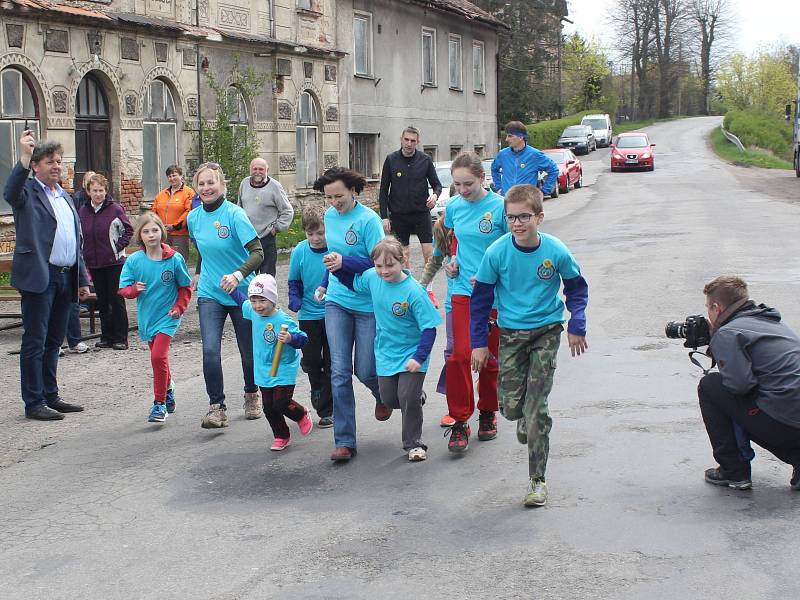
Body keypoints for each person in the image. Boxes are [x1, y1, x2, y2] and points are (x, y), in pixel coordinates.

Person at [470, 184, 588, 507]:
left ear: (539, 216)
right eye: (511, 218)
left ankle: (537, 480)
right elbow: (479, 302)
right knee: (509, 407)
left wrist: (576, 324)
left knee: (537, 410)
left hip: (546, 331)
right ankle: (522, 415)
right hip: (511, 334)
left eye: (524, 217)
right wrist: (479, 343)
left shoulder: (555, 251)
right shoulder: (496, 253)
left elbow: (576, 289)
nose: (518, 223)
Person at [4, 130, 90, 420]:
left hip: (66, 277)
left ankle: (51, 395)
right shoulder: (27, 192)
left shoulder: (64, 196)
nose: (56, 165)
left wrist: (82, 279)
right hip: (41, 277)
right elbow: (9, 192)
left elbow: (75, 240)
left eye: (59, 160)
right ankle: (34, 401)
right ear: (36, 166)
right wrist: (24, 158)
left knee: (55, 340)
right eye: (50, 161)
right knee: (35, 341)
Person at [697, 276, 800, 491]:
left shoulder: (728, 332)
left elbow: (739, 386)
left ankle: (733, 471)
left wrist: (717, 341)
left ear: (716, 307)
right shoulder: (771, 322)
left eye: (708, 308)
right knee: (777, 398)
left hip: (786, 423)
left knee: (711, 386)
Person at [312, 167, 387, 462]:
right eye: (329, 197)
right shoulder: (329, 217)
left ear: (354, 190)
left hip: (367, 304)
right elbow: (332, 261)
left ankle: (386, 395)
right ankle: (345, 441)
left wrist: (346, 261)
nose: (333, 202)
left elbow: (380, 263)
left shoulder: (368, 221)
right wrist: (323, 282)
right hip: (337, 301)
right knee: (340, 371)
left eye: (338, 196)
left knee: (365, 369)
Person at [187, 162, 265, 428]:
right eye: (201, 183)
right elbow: (204, 250)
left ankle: (252, 393)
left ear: (222, 185)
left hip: (242, 292)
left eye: (211, 182)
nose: (206, 187)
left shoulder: (235, 215)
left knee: (247, 352)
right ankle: (216, 406)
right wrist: (198, 272)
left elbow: (258, 253)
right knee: (209, 350)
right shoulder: (193, 217)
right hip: (210, 292)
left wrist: (237, 276)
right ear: (196, 188)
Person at [351, 238, 441, 461]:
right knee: (390, 399)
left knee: (407, 397)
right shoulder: (373, 278)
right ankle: (415, 397)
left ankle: (414, 444)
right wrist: (337, 264)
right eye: (379, 266)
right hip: (386, 353)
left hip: (413, 354)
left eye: (390, 265)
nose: (384, 271)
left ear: (403, 261)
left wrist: (420, 357)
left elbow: (429, 329)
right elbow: (350, 280)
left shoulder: (414, 292)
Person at [442, 152, 507, 452]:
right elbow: (455, 240)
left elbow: (512, 248)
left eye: (468, 184)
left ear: (482, 178)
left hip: (492, 294)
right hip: (461, 290)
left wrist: (491, 277)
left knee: (489, 359)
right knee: (459, 356)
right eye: (457, 185)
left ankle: (487, 412)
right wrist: (452, 261)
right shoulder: (454, 207)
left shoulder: (500, 207)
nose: (463, 191)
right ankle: (459, 419)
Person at [118, 212, 192, 422]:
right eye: (146, 231)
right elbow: (122, 289)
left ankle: (159, 404)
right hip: (147, 317)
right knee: (160, 358)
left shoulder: (174, 259)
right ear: (140, 236)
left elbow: (185, 287)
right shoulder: (134, 261)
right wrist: (133, 290)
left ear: (162, 232)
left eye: (155, 230)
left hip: (169, 316)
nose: (151, 235)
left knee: (158, 357)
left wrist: (179, 307)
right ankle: (168, 389)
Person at [241, 273, 313, 451]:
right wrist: (230, 288)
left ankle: (301, 413)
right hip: (263, 368)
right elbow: (240, 299)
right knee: (269, 407)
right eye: (254, 301)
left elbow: (303, 339)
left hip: (283, 367)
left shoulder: (283, 320)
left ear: (272, 299)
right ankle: (281, 435)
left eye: (262, 301)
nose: (257, 306)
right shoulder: (252, 310)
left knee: (281, 402)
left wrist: (290, 338)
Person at [378, 126, 443, 307]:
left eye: (413, 141)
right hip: (399, 215)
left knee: (428, 253)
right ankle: (407, 291)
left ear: (418, 142)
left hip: (421, 213)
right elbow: (383, 190)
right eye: (406, 140)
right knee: (403, 255)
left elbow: (437, 185)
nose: (409, 144)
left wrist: (435, 196)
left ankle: (428, 290)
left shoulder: (425, 160)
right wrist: (384, 216)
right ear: (401, 139)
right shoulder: (391, 160)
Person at [288, 205, 333, 428]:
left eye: (320, 233)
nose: (315, 238)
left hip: (333, 312)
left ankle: (327, 409)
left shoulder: (334, 249)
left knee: (332, 362)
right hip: (308, 315)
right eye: (310, 233)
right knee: (313, 360)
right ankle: (317, 388)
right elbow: (294, 280)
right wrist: (294, 298)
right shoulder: (300, 251)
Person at [78, 173, 133, 350]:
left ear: (105, 191)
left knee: (116, 300)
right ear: (88, 191)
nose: (98, 194)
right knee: (102, 302)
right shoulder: (83, 211)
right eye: (94, 191)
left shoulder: (115, 209)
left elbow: (128, 230)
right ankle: (106, 336)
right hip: (94, 262)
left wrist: (117, 247)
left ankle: (120, 337)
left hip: (114, 262)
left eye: (101, 190)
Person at [419, 214, 458, 427]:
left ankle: (489, 394)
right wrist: (420, 287)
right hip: (455, 302)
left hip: (488, 302)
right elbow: (434, 262)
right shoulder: (442, 231)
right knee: (453, 353)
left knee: (489, 354)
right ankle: (455, 405)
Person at [237, 158, 294, 276]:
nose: (257, 172)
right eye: (255, 169)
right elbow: (239, 208)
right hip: (248, 238)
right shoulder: (244, 183)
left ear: (267, 170)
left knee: (266, 279)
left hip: (266, 238)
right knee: (247, 276)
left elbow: (287, 211)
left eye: (261, 169)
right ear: (250, 169)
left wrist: (276, 228)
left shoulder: (275, 186)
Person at [62, 170, 97, 354]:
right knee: (54, 308)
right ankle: (57, 343)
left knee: (72, 305)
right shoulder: (77, 200)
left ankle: (75, 341)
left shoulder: (67, 202)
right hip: (51, 266)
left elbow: (77, 247)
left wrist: (83, 280)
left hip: (72, 264)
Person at [491, 121, 559, 196]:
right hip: (507, 201)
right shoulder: (503, 154)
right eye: (507, 136)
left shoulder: (535, 155)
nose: (506, 139)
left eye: (510, 136)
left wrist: (544, 191)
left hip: (527, 202)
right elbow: (494, 169)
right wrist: (498, 188)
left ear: (521, 137)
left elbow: (554, 170)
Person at [152, 165, 195, 259]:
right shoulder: (161, 194)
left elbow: (189, 211)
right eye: (169, 176)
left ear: (181, 176)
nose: (172, 178)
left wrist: (175, 226)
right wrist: (158, 226)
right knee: (163, 260)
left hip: (180, 234)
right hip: (163, 234)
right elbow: (154, 212)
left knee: (179, 260)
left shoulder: (189, 192)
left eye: (174, 175)